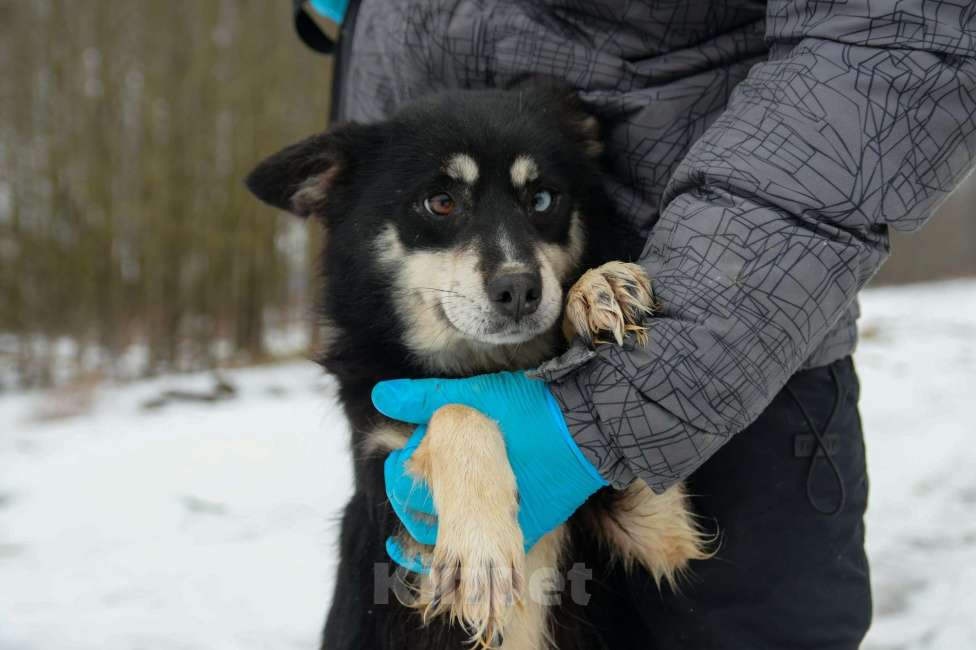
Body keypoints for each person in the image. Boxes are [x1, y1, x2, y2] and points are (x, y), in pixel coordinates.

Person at [297, 1, 976, 648]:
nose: (511, 270)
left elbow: (898, 37)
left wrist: (615, 392)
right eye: (442, 202)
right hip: (426, 351)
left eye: (540, 201)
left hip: (733, 344)